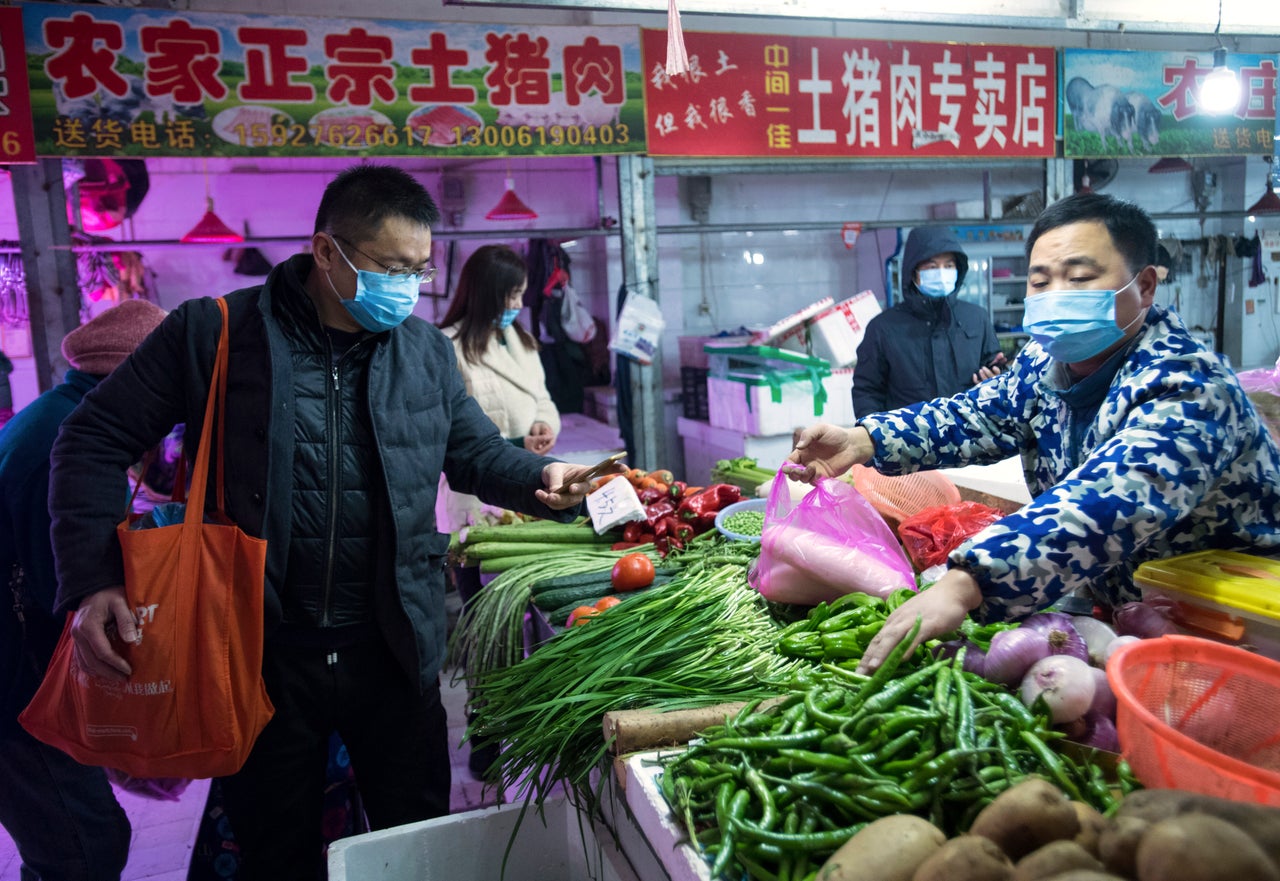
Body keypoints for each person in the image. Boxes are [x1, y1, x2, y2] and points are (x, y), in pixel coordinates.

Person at [46, 165, 605, 881]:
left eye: (421, 268)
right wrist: (92, 579)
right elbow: (90, 439)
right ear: (327, 251)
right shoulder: (215, 334)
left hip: (393, 651)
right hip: (261, 655)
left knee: (418, 839)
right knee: (275, 849)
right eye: (391, 267)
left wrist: (542, 476)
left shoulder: (424, 353)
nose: (407, 285)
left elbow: (472, 454)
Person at [788, 192, 1280, 673]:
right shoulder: (1046, 365)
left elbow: (1106, 504)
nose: (1057, 295)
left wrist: (968, 582)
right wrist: (863, 440)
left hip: (1234, 632)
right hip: (1128, 620)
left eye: (1081, 277)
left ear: (1145, 286)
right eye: (1041, 281)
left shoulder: (1189, 387)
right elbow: (976, 415)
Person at [1, 298, 167, 881]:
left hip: (19, 671)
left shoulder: (56, 412)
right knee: (83, 846)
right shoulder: (63, 441)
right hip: (14, 687)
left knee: (76, 842)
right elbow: (62, 589)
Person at [435, 243, 560, 777]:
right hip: (475, 508)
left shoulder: (524, 342)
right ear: (486, 292)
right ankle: (485, 734)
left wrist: (543, 429)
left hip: (527, 496)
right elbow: (450, 435)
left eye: (521, 294)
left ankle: (533, 723)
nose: (517, 303)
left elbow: (544, 400)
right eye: (510, 294)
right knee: (487, 625)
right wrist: (508, 443)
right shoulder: (448, 348)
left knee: (531, 620)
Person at [852, 226, 1004, 416]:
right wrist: (874, 437)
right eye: (932, 267)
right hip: (907, 441)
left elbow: (996, 370)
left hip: (969, 438)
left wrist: (996, 378)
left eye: (948, 266)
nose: (941, 273)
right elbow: (867, 390)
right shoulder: (883, 328)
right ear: (913, 272)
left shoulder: (977, 318)